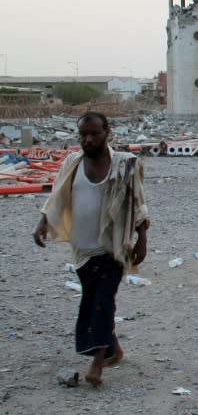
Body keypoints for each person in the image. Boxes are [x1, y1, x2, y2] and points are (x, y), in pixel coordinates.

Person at [32, 112, 149, 387]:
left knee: (101, 302)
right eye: (83, 134)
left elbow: (138, 204)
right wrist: (42, 223)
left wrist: (141, 240)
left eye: (94, 133)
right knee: (96, 299)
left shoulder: (125, 164)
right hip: (82, 250)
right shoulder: (72, 163)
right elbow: (57, 197)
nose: (88, 139)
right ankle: (115, 350)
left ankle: (97, 362)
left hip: (112, 248)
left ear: (107, 131)